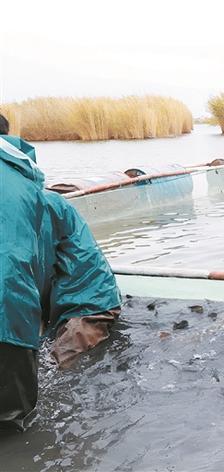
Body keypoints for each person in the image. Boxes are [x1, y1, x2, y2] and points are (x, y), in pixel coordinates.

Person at [0, 114, 121, 432]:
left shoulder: (44, 205)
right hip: (55, 299)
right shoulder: (26, 195)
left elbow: (18, 275)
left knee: (57, 366)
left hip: (89, 304)